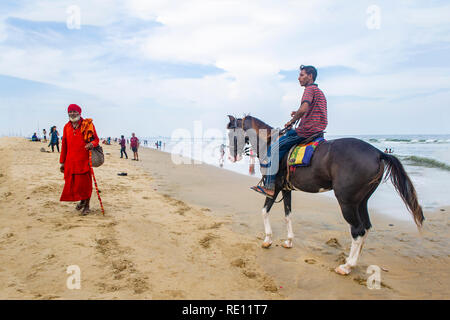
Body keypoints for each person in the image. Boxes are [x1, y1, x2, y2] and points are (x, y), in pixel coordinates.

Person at [251, 65, 327, 198]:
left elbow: (304, 109)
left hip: (306, 131)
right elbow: (311, 112)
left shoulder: (309, 90)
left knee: (274, 148)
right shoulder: (320, 92)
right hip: (318, 130)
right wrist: (297, 113)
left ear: (310, 76)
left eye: (302, 75)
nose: (299, 78)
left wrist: (292, 121)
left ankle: (269, 187)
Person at [59, 104, 99, 215]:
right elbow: (64, 145)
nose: (72, 113)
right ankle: (82, 201)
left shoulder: (87, 125)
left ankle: (87, 206)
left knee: (85, 184)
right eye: (70, 112)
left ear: (79, 112)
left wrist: (91, 144)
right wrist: (62, 162)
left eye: (74, 111)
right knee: (74, 185)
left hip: (84, 160)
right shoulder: (66, 127)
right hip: (71, 161)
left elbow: (96, 140)